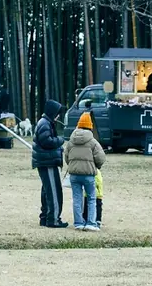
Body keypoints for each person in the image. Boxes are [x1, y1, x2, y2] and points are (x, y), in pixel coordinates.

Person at [64, 112, 107, 231]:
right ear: (90, 126)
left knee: (77, 198)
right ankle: (91, 223)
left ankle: (78, 223)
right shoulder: (93, 142)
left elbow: (66, 157)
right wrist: (96, 167)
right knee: (91, 198)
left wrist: (73, 165)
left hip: (74, 175)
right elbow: (101, 158)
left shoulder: (71, 141)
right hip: (88, 175)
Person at [33, 99, 67, 228]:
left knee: (47, 191)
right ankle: (53, 219)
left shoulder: (45, 123)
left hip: (45, 160)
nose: (58, 116)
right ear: (53, 113)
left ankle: (45, 218)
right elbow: (47, 142)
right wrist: (60, 141)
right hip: (47, 162)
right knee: (54, 191)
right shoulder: (45, 124)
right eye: (57, 113)